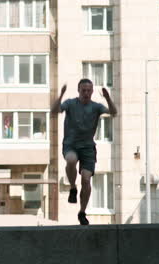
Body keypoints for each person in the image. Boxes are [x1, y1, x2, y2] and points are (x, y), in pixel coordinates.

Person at [51, 79, 117, 225]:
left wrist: (107, 97)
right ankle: (73, 188)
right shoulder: (70, 104)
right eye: (83, 90)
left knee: (86, 179)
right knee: (71, 160)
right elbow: (54, 111)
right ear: (78, 91)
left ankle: (82, 212)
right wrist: (61, 95)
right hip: (71, 145)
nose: (86, 93)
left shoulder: (96, 107)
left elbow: (114, 113)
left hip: (88, 148)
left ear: (92, 91)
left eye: (89, 90)